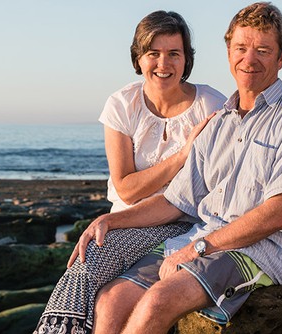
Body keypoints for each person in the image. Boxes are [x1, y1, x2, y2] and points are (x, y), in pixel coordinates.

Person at [82, 2, 282, 333]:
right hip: (205, 237)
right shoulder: (217, 124)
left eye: (263, 50)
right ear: (228, 52)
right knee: (113, 298)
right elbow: (176, 201)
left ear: (281, 57)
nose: (249, 59)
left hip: (262, 252)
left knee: (158, 300)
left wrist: (197, 249)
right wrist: (110, 220)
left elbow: (277, 214)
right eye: (240, 48)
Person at [33, 10, 227, 334]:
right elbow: (126, 189)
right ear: (139, 58)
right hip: (125, 223)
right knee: (82, 273)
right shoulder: (122, 104)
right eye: (153, 53)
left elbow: (237, 170)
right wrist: (182, 155)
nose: (163, 64)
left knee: (110, 302)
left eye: (173, 54)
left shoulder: (211, 106)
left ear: (186, 60)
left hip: (182, 225)